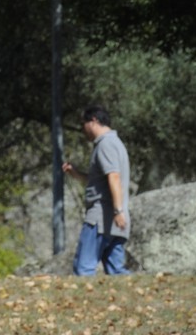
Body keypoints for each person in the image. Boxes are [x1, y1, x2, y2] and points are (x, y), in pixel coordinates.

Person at [62, 104, 131, 275]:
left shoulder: (105, 144)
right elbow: (100, 180)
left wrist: (117, 210)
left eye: (82, 124)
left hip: (101, 219)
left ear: (93, 121)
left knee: (83, 268)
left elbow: (113, 177)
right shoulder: (116, 143)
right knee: (117, 272)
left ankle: (83, 302)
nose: (82, 129)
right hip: (117, 222)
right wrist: (75, 173)